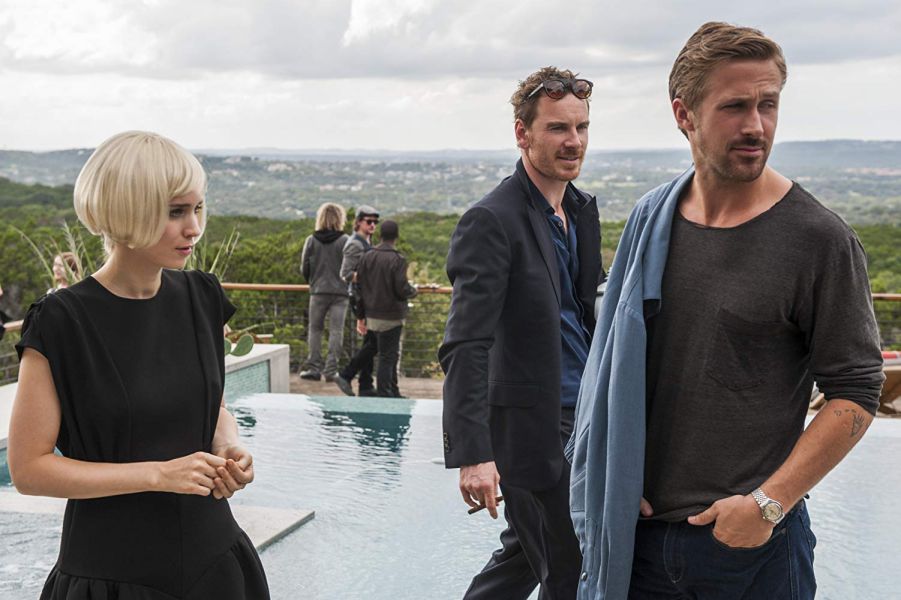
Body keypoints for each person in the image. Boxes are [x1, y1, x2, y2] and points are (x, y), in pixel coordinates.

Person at [568, 22, 885, 600]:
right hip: (638, 545)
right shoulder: (651, 219)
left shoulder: (818, 240)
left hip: (750, 551)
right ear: (684, 114)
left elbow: (857, 391)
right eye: (735, 106)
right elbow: (612, 368)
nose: (756, 126)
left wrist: (767, 505)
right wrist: (615, 478)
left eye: (769, 104)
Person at [7, 130, 270, 599]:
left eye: (198, 208)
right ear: (129, 211)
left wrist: (228, 445)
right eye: (176, 212)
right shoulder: (61, 321)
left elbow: (211, 407)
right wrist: (157, 474)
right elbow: (28, 470)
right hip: (111, 578)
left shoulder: (203, 297)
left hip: (218, 567)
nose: (194, 227)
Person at [440, 66, 602, 599]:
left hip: (586, 416)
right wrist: (474, 453)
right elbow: (466, 343)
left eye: (580, 127)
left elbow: (584, 316)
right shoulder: (492, 220)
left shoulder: (579, 210)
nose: (573, 141)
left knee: (522, 559)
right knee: (570, 573)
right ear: (522, 133)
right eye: (557, 128)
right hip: (534, 432)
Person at [355, 220, 417, 398]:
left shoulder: (367, 256)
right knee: (388, 357)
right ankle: (385, 394)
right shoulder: (398, 259)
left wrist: (361, 315)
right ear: (396, 236)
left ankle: (392, 391)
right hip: (391, 316)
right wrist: (414, 291)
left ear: (380, 235)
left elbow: (360, 288)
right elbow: (401, 289)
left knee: (380, 353)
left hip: (371, 315)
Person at [299, 202, 350, 382]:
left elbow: (304, 267)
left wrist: (312, 282)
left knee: (315, 330)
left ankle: (314, 368)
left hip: (318, 291)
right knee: (336, 331)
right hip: (341, 293)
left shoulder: (311, 240)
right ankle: (331, 370)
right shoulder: (345, 241)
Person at [333, 205, 380, 396]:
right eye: (369, 222)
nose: (373, 225)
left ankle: (366, 384)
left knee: (370, 340)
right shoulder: (355, 244)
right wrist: (371, 277)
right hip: (360, 297)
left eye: (375, 222)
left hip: (368, 296)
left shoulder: (367, 241)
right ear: (359, 222)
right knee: (374, 341)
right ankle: (347, 374)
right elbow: (345, 274)